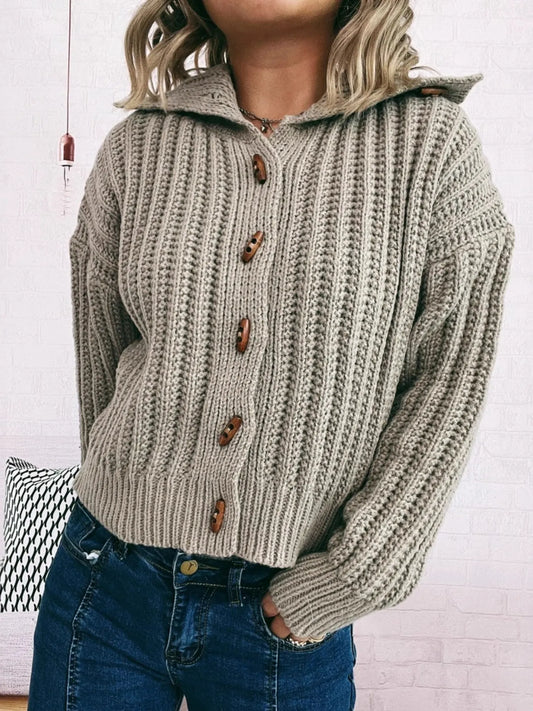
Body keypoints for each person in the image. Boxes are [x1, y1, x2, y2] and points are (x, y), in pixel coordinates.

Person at [28, 0, 515, 709]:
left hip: (284, 613)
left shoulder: (429, 146)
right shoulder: (139, 147)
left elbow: (448, 382)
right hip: (105, 582)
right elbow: (100, 360)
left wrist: (354, 575)